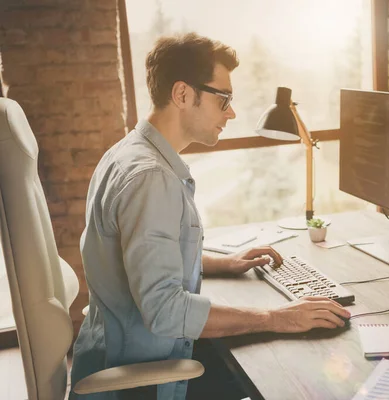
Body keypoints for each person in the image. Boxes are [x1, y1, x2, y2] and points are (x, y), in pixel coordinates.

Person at [69, 32, 350, 400]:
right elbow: (166, 311)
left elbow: (144, 259)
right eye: (224, 99)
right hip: (142, 377)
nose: (231, 112)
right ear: (183, 95)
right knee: (294, 369)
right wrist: (277, 317)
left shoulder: (127, 153)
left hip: (121, 349)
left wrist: (223, 263)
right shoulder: (151, 179)